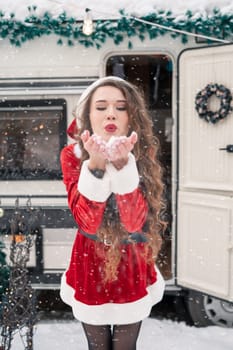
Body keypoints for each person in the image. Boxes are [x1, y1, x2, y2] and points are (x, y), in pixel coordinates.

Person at [60, 76, 166, 350]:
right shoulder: (72, 155)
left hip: (131, 259)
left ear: (132, 116)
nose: (111, 113)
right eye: (101, 106)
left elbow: (135, 222)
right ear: (88, 115)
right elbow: (86, 221)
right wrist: (95, 166)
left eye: (121, 107)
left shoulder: (142, 152)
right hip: (89, 261)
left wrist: (122, 166)